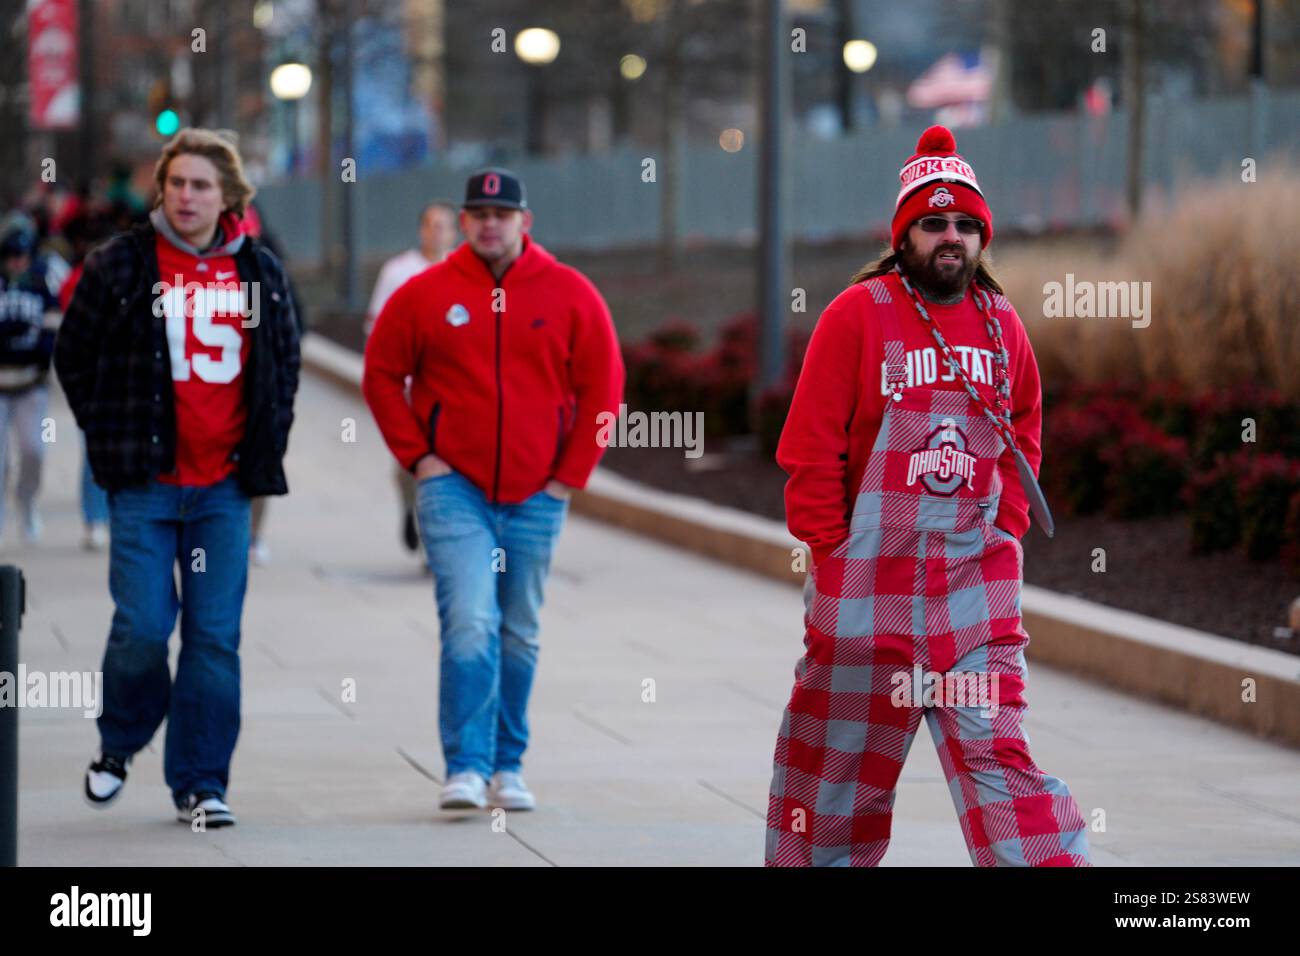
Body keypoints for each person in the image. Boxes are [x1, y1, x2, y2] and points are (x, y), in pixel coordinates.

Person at [764, 126, 1092, 867]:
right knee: (835, 776)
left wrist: (1005, 528)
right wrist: (831, 548)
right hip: (866, 590)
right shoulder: (859, 313)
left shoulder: (1002, 323)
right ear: (904, 233)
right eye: (935, 223)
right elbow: (810, 443)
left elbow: (1026, 432)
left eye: (967, 225)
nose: (953, 237)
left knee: (1000, 762)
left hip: (974, 595)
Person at [55, 128, 301, 828]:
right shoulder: (122, 266)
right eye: (177, 183)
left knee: (213, 637)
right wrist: (109, 436)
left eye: (202, 185)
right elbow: (74, 357)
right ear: (161, 188)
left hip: (224, 491)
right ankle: (119, 743)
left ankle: (200, 783)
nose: (187, 196)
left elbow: (281, 366)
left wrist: (263, 447)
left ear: (228, 197)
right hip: (145, 485)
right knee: (142, 625)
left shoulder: (257, 273)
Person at [363, 169, 623, 812]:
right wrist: (419, 457)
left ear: (523, 222)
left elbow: (604, 387)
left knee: (518, 630)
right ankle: (467, 766)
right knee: (471, 623)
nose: (488, 222)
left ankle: (509, 763)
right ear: (463, 220)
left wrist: (569, 476)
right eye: (477, 212)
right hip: (455, 490)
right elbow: (379, 372)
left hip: (538, 494)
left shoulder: (569, 293)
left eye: (500, 213)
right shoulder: (427, 293)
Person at [365, 201, 458, 556]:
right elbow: (377, 327)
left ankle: (438, 538)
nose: (437, 232)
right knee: (412, 461)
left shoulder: (464, 270)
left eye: (444, 226)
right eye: (431, 225)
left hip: (448, 389)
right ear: (421, 230)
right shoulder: (398, 272)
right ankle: (411, 508)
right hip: (408, 389)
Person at [0, 212, 63, 544]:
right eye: (11, 256)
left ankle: (27, 500)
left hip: (30, 384)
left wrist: (42, 353)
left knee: (34, 450)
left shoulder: (41, 283)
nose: (16, 262)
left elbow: (52, 325)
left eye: (21, 255)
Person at [58, 209, 115, 550]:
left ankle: (107, 514)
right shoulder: (76, 281)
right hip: (95, 382)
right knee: (94, 451)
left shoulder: (140, 282)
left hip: (126, 386)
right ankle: (95, 518)